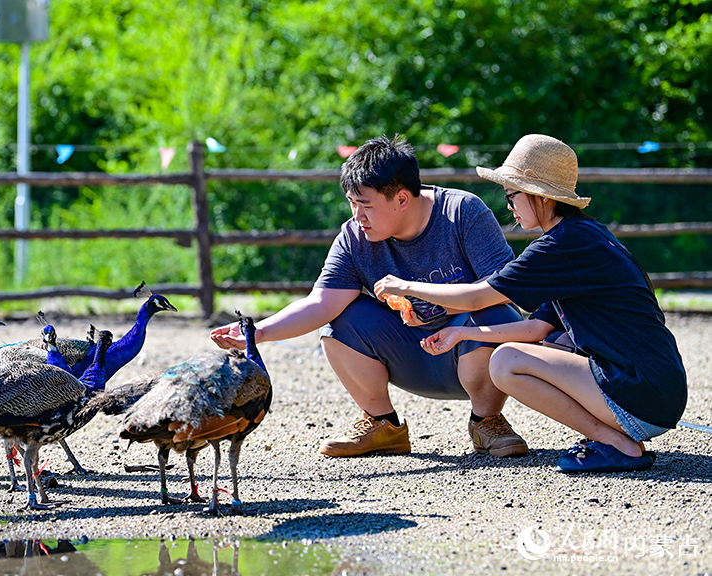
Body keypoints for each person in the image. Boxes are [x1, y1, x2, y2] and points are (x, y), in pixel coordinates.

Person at [374, 134, 687, 473]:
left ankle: (615, 443)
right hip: (659, 390)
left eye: (512, 195)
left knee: (505, 362)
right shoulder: (583, 235)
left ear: (541, 195)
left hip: (641, 391)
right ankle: (616, 438)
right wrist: (461, 334)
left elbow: (476, 296)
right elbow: (537, 328)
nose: (509, 206)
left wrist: (405, 286)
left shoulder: (562, 244)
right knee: (546, 343)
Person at [210, 135, 528, 458]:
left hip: (469, 349)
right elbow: (320, 303)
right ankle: (382, 424)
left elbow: (503, 288)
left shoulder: (462, 212)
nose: (357, 215)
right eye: (352, 202)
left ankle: (487, 421)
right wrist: (258, 332)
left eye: (366, 205)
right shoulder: (354, 237)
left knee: (497, 313)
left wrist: (430, 299)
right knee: (338, 320)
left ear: (401, 199)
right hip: (411, 356)